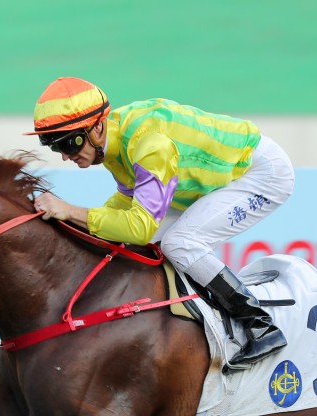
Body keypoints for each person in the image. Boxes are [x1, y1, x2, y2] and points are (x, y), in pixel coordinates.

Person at [28, 77, 294, 370]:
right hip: (211, 183)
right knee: (139, 244)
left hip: (260, 173)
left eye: (69, 142)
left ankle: (260, 326)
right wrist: (72, 222)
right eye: (56, 148)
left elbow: (138, 226)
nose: (65, 155)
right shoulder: (113, 144)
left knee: (180, 243)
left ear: (98, 126)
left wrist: (71, 211)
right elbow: (127, 201)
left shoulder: (149, 144)